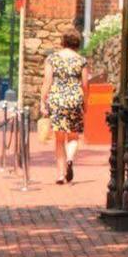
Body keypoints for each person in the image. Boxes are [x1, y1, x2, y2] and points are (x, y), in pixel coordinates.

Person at [40, 28, 89, 184]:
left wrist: (43, 101)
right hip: (74, 100)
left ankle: (60, 175)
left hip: (57, 99)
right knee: (73, 136)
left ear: (63, 42)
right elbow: (85, 84)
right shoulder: (81, 60)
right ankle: (70, 159)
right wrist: (85, 102)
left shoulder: (52, 59)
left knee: (59, 139)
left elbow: (47, 82)